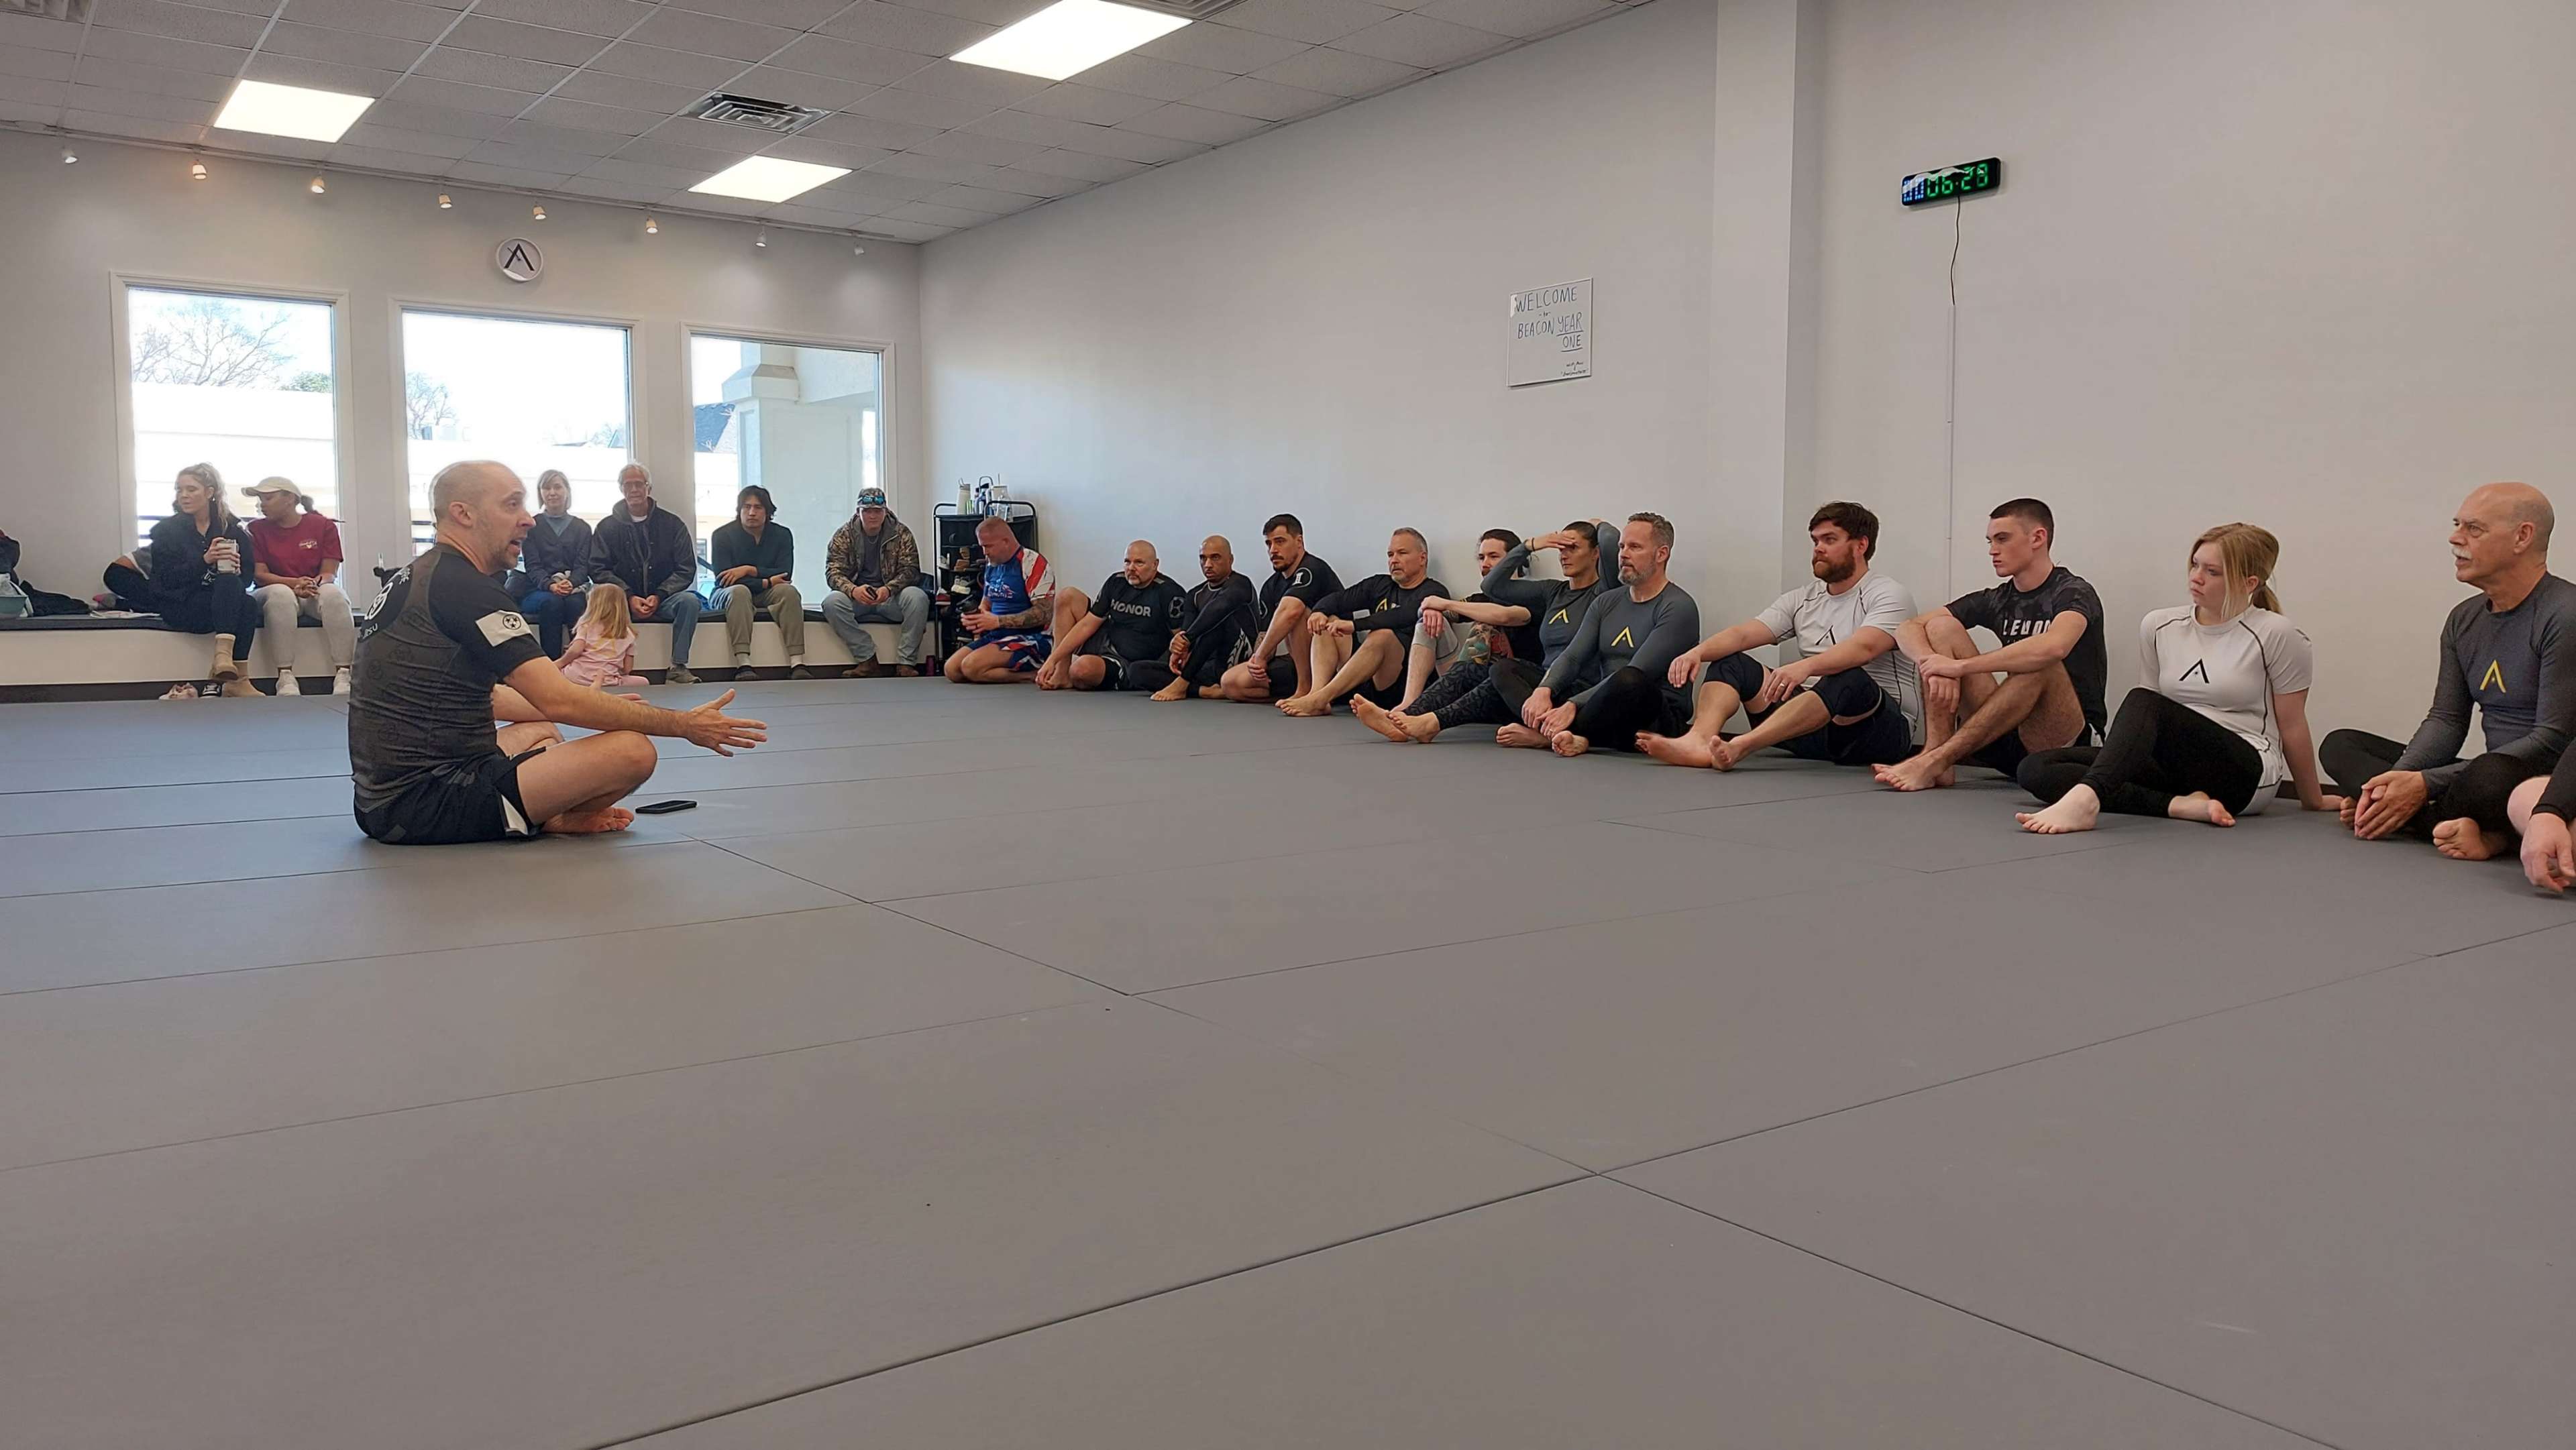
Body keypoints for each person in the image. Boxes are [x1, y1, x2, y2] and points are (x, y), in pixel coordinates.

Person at [350, 459, 764, 844]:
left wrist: (589, 702)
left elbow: (483, 695)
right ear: (464, 514)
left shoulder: (420, 575)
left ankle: (551, 815)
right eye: (512, 504)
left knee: (542, 732)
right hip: (425, 803)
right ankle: (528, 815)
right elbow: (558, 698)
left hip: (381, 799)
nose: (528, 519)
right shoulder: (467, 589)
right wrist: (686, 725)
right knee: (632, 751)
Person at [2015, 524, 2339, 833]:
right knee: (2036, 770)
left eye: (2212, 572)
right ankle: (2178, 806)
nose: (2196, 578)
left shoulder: (2276, 634)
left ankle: (2087, 799)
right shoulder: (2159, 625)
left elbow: (2293, 724)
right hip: (2175, 767)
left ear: (2249, 583)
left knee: (2145, 701)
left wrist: (2312, 799)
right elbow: (2143, 724)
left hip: (2244, 770)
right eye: (2195, 565)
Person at [2320, 483, 2573, 856]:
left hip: (2538, 782)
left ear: (2522, 537)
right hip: (2474, 776)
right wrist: (2398, 782)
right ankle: (2435, 819)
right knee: (2341, 745)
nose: (2455, 538)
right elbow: (2447, 720)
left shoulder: (2565, 614)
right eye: (2458, 525)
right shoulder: (2463, 619)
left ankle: (2439, 823)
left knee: (2490, 776)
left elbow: (2551, 739)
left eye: (2474, 529)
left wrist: (2424, 784)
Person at [1644, 502, 1919, 771]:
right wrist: (1698, 653)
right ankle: (1698, 741)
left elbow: (1865, 648)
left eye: (1829, 540)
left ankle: (1742, 746)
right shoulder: (1803, 598)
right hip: (1812, 730)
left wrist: (1805, 666)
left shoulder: (1887, 594)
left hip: (1877, 734)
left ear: (1861, 545)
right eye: (1815, 541)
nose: (1818, 548)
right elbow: (1743, 634)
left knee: (1850, 676)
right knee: (1731, 663)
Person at [1877, 498, 2104, 791]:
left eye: (2002, 539)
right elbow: (1907, 628)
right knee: (1940, 627)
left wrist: (1961, 666)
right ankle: (1935, 754)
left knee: (2038, 662)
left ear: (2037, 538)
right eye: (1990, 541)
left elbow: (2054, 647)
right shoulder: (1998, 598)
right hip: (2006, 734)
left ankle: (1935, 761)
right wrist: (1930, 663)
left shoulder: (2073, 592)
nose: (1992, 550)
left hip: (2066, 744)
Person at [1352, 520, 1619, 745]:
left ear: (1595, 553)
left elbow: (1610, 538)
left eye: (1572, 547)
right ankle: (1410, 715)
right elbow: (1491, 585)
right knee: (1480, 669)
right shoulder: (1553, 591)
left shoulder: (1605, 594)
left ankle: (1430, 724)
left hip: (1575, 690)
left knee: (1501, 668)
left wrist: (1597, 524)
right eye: (1561, 548)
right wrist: (1529, 545)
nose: (1564, 554)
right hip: (1538, 688)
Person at [1520, 513, 1700, 757]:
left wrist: (1574, 704)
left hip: (1656, 717)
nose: (1623, 554)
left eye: (1635, 547)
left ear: (1661, 554)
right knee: (1507, 671)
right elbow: (1573, 657)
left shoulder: (1678, 606)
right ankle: (1576, 733)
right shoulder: (1606, 602)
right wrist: (1545, 689)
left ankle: (1549, 735)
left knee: (1629, 679)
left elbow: (1640, 670)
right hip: (1601, 706)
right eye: (1621, 546)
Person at [1278, 528, 1446, 716]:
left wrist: (1356, 625)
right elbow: (1338, 599)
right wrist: (1319, 612)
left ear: (1422, 558)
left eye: (1402, 553)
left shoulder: (1435, 593)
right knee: (1328, 623)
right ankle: (1317, 694)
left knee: (1382, 634)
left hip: (1400, 683)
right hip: (1367, 678)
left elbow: (1402, 616)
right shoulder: (1379, 584)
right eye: (1390, 554)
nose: (1394, 560)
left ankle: (1321, 697)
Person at [1385, 528, 1540, 712]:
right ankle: (1410, 703)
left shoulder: (1533, 595)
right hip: (1471, 679)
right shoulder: (1480, 599)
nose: (1485, 564)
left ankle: (1416, 712)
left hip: (1511, 686)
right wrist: (1433, 610)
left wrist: (1443, 604)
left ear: (1513, 561)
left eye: (1493, 557)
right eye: (1482, 558)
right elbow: (1437, 611)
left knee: (1484, 627)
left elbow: (1504, 616)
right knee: (1428, 623)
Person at [145, 462, 260, 699]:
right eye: (179, 490)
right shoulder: (166, 531)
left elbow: (248, 579)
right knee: (239, 598)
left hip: (219, 605)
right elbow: (164, 580)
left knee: (243, 597)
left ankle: (227, 664)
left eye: (191, 489)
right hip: (181, 604)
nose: (183, 496)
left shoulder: (233, 530)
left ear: (210, 492)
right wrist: (205, 560)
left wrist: (236, 569)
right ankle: (232, 673)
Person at [588, 462, 702, 685]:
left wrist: (660, 594)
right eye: (627, 485)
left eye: (638, 484)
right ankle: (605, 668)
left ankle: (678, 666)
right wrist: (627, 595)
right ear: (621, 489)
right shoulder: (606, 528)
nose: (633, 490)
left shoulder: (673, 524)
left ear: (648, 488)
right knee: (595, 603)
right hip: (621, 602)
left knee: (690, 601)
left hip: (664, 599)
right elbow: (598, 568)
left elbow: (686, 568)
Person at [242, 476, 356, 698]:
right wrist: (296, 584)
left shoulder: (322, 525)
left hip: (312, 589)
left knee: (334, 594)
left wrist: (311, 585)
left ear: (290, 499)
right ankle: (285, 676)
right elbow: (261, 575)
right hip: (274, 590)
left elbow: (329, 572)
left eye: (268, 498)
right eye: (260, 499)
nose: (262, 504)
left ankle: (344, 672)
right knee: (281, 595)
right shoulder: (255, 529)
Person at [1219, 514, 1342, 703]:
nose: (1273, 550)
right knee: (1231, 683)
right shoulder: (1271, 586)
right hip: (1298, 660)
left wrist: (1259, 657)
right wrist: (1259, 663)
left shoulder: (1312, 568)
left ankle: (1306, 691)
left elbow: (1291, 612)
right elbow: (1265, 635)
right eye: (1269, 544)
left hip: (1336, 658)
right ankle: (1290, 695)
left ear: (1299, 542)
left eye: (1280, 542)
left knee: (1298, 614)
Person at [1040, 540, 1189, 691]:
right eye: (1127, 562)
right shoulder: (1116, 582)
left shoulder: (1169, 593)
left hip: (1131, 660)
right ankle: (1061, 673)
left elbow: (1182, 641)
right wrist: (1052, 660)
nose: (1131, 568)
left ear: (1155, 565)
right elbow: (1087, 625)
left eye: (1139, 563)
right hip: (1107, 640)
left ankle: (1106, 676)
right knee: (1067, 596)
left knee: (1081, 670)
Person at [820, 486, 929, 677]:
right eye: (867, 511)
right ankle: (867, 659)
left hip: (891, 598)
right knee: (831, 602)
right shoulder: (843, 535)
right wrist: (853, 590)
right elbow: (833, 572)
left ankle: (906, 663)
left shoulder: (901, 533)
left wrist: (888, 589)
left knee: (918, 597)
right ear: (858, 512)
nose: (872, 516)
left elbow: (911, 570)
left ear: (885, 511)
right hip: (858, 598)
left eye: (877, 511)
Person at [707, 484, 809, 681]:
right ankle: (743, 663)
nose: (751, 513)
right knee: (739, 591)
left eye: (758, 507)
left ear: (768, 512)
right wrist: (765, 581)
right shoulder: (722, 535)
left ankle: (797, 662)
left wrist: (748, 570)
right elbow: (724, 578)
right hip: (727, 593)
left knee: (788, 592)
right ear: (739, 510)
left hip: (767, 591)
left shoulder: (782, 534)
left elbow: (785, 573)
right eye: (746, 507)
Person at [945, 514, 1055, 683]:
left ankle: (1032, 674)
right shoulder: (992, 565)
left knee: (971, 667)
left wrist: (998, 621)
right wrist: (976, 618)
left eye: (988, 546)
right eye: (982, 546)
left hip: (1030, 638)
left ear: (1006, 542)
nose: (985, 552)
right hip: (997, 636)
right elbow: (987, 603)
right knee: (952, 669)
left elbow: (1043, 614)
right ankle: (996, 667)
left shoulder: (1033, 564)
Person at [1149, 536, 1261, 702]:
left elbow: (1220, 607)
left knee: (1219, 620)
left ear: (1230, 560)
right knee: (1138, 671)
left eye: (1215, 558)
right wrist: (1178, 647)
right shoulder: (1195, 595)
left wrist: (1186, 638)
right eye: (1203, 558)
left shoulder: (1241, 584)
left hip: (1238, 663)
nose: (1208, 564)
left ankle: (1183, 684)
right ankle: (1205, 691)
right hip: (1205, 666)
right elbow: (1188, 632)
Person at [514, 469, 592, 659]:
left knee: (577, 603)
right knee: (552, 603)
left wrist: (570, 583)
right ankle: (551, 665)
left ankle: (579, 664)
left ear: (567, 491)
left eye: (557, 487)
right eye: (546, 488)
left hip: (572, 589)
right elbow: (533, 567)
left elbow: (583, 567)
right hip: (537, 591)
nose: (552, 492)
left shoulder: (582, 528)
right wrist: (551, 585)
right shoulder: (531, 526)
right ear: (541, 493)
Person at [558, 581, 648, 689]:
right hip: (608, 682)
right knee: (644, 682)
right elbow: (627, 669)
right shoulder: (628, 633)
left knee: (556, 676)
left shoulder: (587, 626)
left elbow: (575, 650)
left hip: (575, 678)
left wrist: (558, 664)